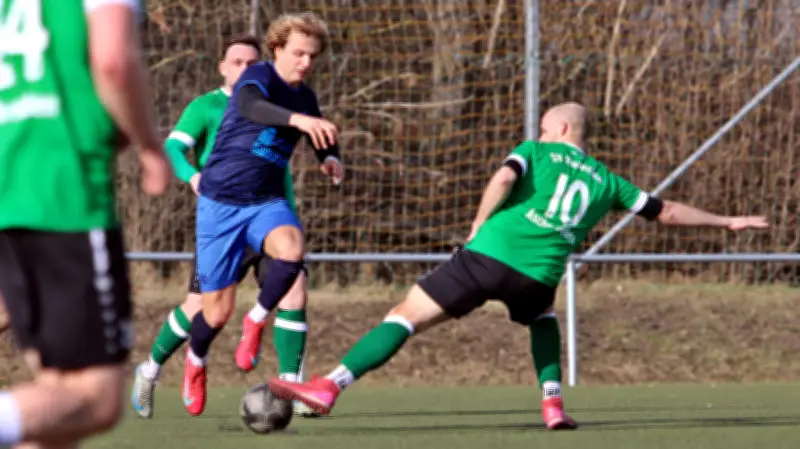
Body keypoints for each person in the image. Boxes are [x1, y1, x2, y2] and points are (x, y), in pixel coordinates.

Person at [268, 102, 770, 430]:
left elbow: (503, 179)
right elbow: (667, 213)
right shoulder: (610, 182)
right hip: (539, 275)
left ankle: (329, 387)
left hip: (489, 255)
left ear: (563, 130)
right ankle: (552, 403)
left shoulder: (535, 150)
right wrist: (727, 222)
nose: (540, 131)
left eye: (546, 125)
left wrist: (477, 225)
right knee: (543, 317)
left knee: (403, 317)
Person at [0, 0, 170, 447]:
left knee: (58, 402)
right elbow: (113, 60)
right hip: (64, 193)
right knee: (95, 399)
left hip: (10, 184)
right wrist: (150, 145)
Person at [129, 33, 318, 419]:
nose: (245, 69)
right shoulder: (207, 106)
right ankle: (150, 369)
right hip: (223, 216)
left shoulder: (278, 97)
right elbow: (172, 148)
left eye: (252, 63)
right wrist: (193, 176)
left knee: (295, 287)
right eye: (237, 63)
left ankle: (291, 386)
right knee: (203, 309)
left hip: (267, 214)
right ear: (223, 68)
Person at [181, 11, 345, 417]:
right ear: (276, 49)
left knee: (291, 249)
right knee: (214, 313)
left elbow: (320, 134)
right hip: (221, 203)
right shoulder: (257, 79)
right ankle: (196, 360)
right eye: (298, 53)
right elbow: (253, 107)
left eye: (312, 56)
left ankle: (255, 321)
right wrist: (298, 120)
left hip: (264, 201)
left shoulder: (305, 97)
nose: (306, 63)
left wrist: (330, 158)